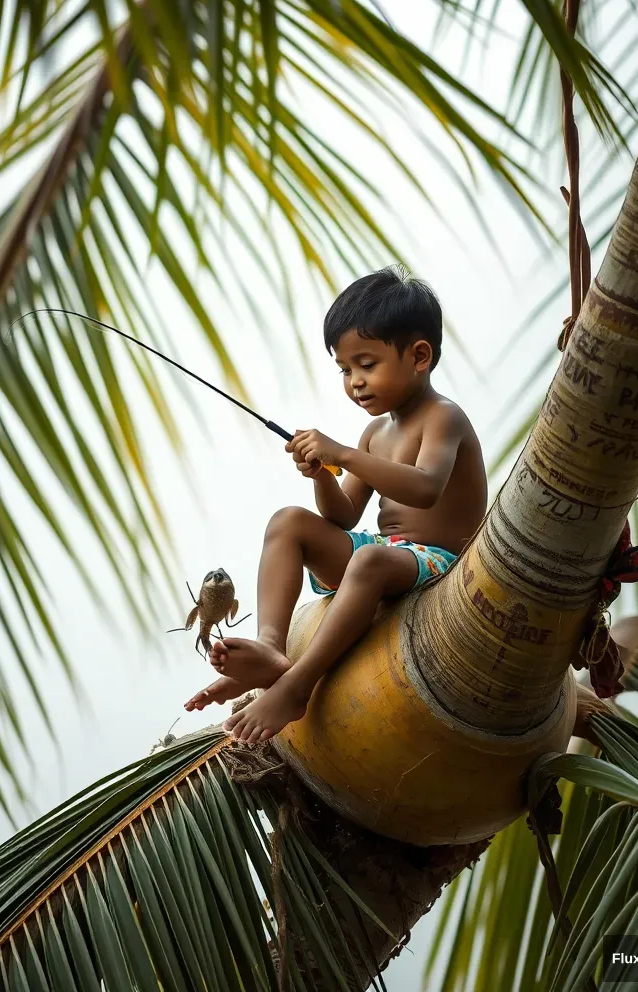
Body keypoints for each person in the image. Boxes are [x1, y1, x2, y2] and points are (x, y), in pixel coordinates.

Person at [184, 265, 488, 743]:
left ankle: (297, 687)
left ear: (419, 356)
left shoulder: (443, 417)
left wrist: (342, 453)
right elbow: (343, 516)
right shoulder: (375, 432)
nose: (355, 382)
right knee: (288, 522)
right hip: (388, 555)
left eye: (366, 364)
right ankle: (270, 647)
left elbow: (425, 487)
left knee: (369, 556)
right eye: (345, 370)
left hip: (442, 562)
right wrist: (322, 475)